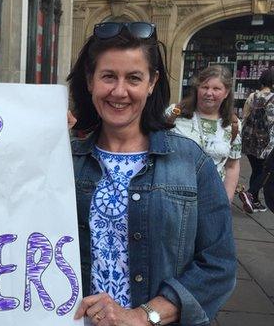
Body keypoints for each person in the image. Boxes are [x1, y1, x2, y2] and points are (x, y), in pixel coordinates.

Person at [68, 22, 235, 325]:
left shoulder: (190, 162)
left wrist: (143, 316)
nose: (119, 91)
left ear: (152, 82)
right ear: (91, 81)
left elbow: (219, 265)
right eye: (108, 76)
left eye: (133, 78)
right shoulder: (67, 158)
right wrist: (43, 142)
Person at [168, 65, 241, 204]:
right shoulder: (174, 114)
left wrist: (226, 199)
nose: (209, 93)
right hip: (173, 197)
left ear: (226, 93)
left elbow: (232, 165)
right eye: (204, 87)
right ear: (197, 88)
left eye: (216, 89)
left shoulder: (233, 125)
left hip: (212, 199)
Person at [238, 69, 274, 213]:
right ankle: (251, 193)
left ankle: (255, 201)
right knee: (266, 171)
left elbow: (245, 116)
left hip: (249, 138)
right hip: (265, 141)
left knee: (257, 169)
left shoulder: (252, 96)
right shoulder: (272, 98)